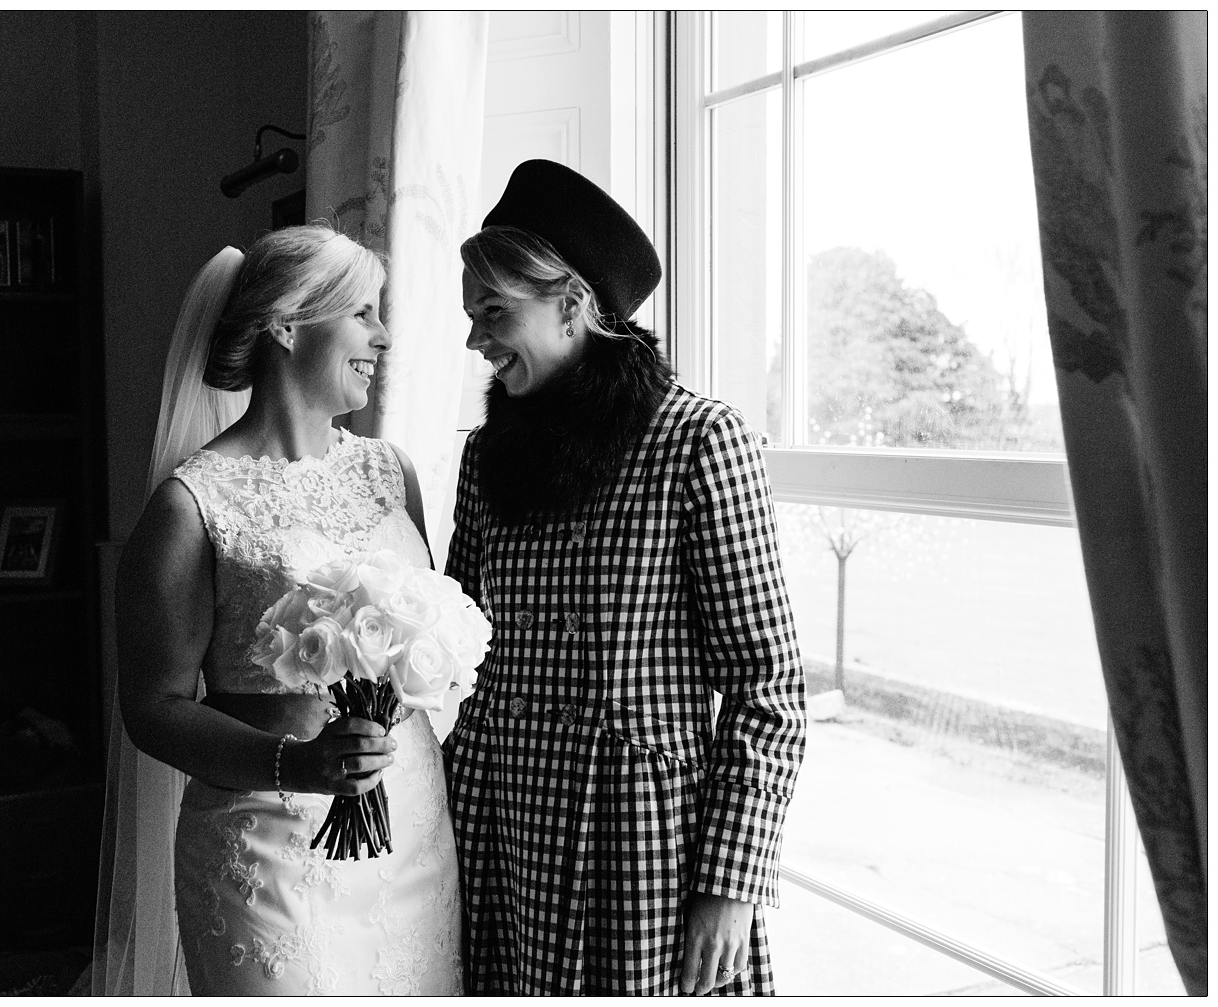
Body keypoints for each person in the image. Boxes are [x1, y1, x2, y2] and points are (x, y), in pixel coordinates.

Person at [442, 160, 807, 996]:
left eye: (494, 312)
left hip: (639, 846)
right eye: (472, 316)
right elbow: (457, 650)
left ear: (573, 307)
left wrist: (730, 881)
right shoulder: (483, 455)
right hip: (498, 827)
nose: (476, 341)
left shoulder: (699, 442)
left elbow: (769, 686)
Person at [95, 225, 462, 996]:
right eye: (362, 314)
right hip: (267, 852)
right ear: (289, 323)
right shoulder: (192, 505)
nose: (383, 336)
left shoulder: (391, 472)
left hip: (410, 833)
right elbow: (152, 705)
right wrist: (297, 763)